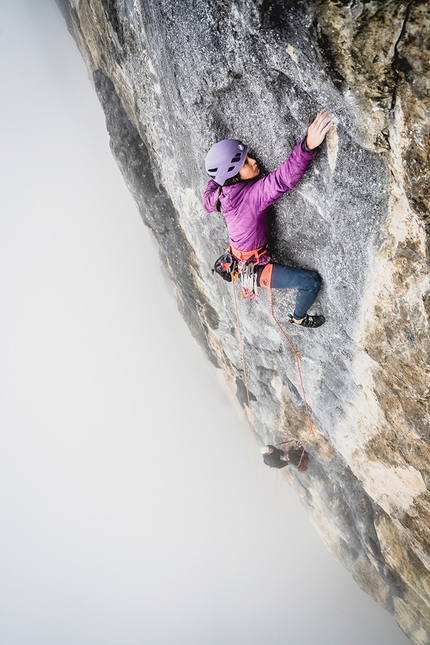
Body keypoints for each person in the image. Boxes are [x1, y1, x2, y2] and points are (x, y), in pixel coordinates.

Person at [203, 110, 333, 328]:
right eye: (245, 163)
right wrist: (308, 146)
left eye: (248, 157)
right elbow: (282, 179)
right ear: (233, 176)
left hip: (238, 258)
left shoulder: (218, 197)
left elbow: (207, 199)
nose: (254, 161)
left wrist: (219, 176)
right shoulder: (251, 197)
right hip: (254, 269)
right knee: (311, 282)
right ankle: (299, 318)